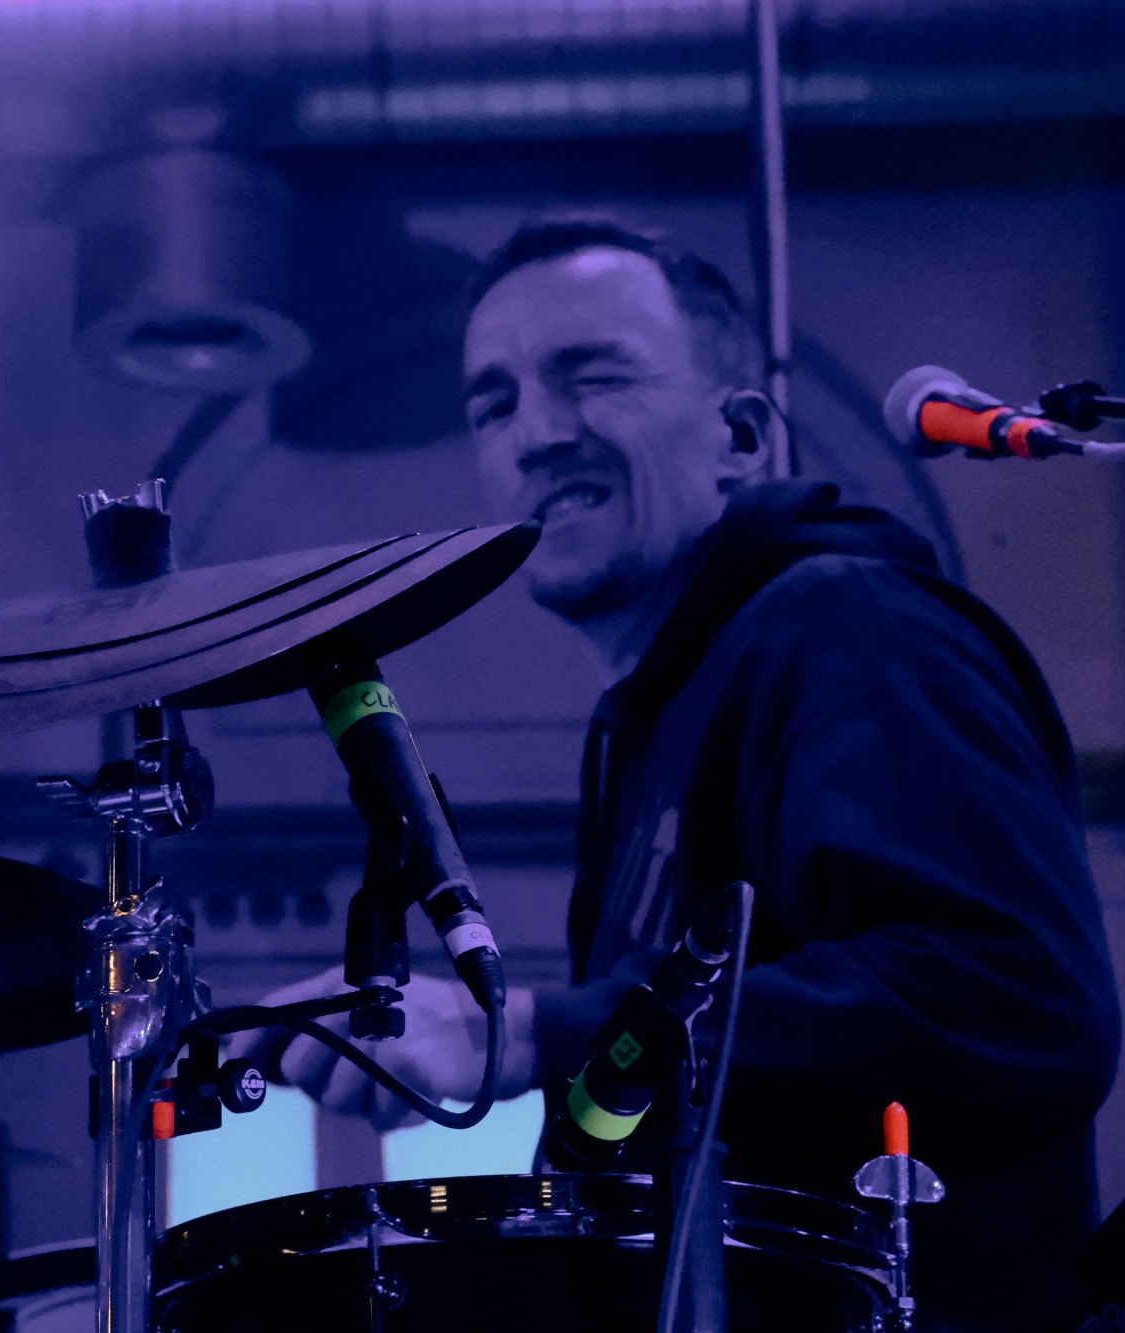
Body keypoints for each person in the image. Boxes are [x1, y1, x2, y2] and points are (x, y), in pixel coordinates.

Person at [237, 218, 1121, 1331]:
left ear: (740, 437)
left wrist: (529, 1033)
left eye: (593, 376)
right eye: (493, 405)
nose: (535, 435)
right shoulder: (645, 722)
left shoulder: (847, 626)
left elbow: (1014, 999)